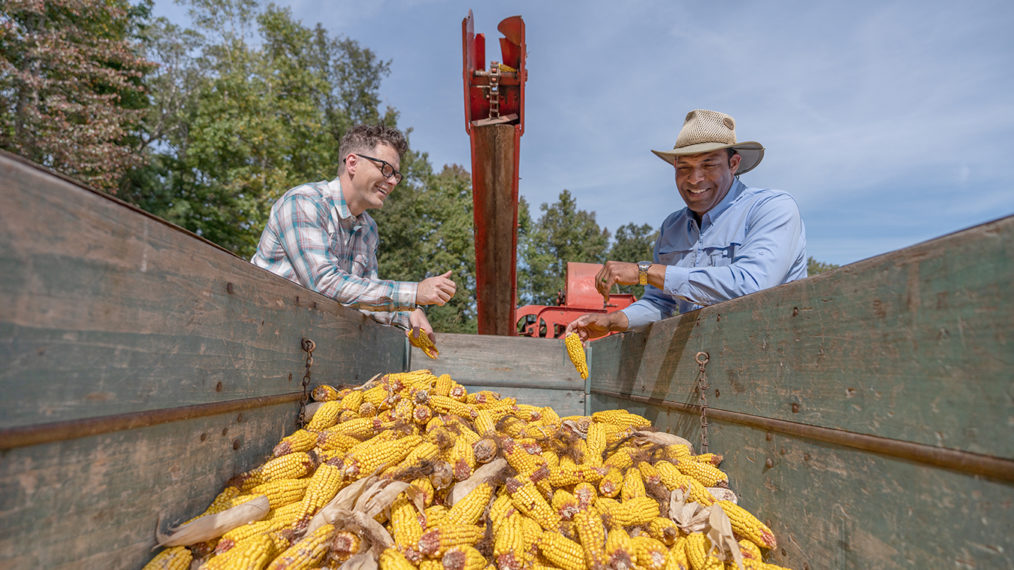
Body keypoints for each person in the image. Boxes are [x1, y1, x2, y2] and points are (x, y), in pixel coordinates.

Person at [566, 109, 807, 340]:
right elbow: (660, 303)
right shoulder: (672, 227)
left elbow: (753, 285)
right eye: (684, 168)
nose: (694, 178)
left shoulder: (772, 208)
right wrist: (613, 321)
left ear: (733, 164)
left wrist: (646, 272)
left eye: (709, 164)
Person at [251, 124, 456, 337]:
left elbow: (363, 295)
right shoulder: (304, 203)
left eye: (396, 175)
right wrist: (414, 293)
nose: (393, 181)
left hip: (305, 339)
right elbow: (324, 283)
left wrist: (407, 314)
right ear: (352, 163)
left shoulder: (368, 229)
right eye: (386, 169)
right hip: (260, 330)